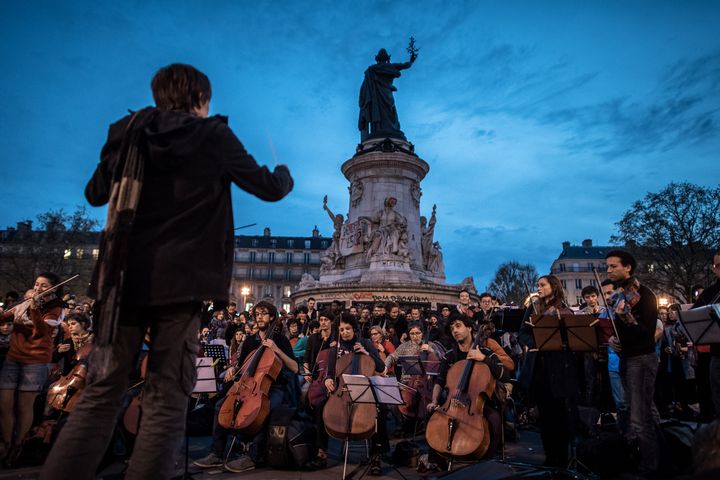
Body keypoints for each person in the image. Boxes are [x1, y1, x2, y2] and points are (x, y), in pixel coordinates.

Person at [40, 64, 293, 480]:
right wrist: (283, 176)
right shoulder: (212, 134)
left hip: (122, 281)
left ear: (159, 95)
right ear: (200, 99)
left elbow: (95, 192)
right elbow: (266, 187)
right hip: (182, 282)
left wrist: (119, 149)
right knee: (166, 399)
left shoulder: (128, 130)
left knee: (101, 394)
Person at [195, 301, 298, 472]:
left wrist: (277, 350)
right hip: (249, 386)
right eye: (257, 314)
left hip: (274, 387)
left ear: (272, 317)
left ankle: (252, 456)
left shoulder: (280, 339)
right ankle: (217, 453)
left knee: (264, 410)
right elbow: (241, 368)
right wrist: (232, 370)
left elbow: (295, 367)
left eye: (263, 313)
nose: (259, 317)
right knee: (221, 406)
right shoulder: (250, 341)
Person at [425, 315, 514, 471]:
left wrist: (484, 358)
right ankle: (437, 462)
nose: (455, 330)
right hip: (453, 402)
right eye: (452, 328)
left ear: (470, 328)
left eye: (458, 326)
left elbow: (505, 375)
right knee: (432, 415)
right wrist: (434, 401)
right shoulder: (450, 355)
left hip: (479, 404)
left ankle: (487, 462)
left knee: (493, 420)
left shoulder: (486, 351)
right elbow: (439, 382)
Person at [605, 249, 659, 476]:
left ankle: (652, 468)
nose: (608, 271)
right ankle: (648, 461)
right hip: (627, 359)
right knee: (635, 414)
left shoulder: (644, 295)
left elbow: (646, 333)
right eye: (607, 266)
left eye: (613, 266)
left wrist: (625, 316)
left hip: (642, 359)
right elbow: (620, 332)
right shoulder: (620, 296)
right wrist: (612, 338)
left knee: (641, 419)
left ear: (627, 267)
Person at [1, 274, 63, 465]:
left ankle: (18, 446)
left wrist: (35, 308)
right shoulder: (23, 304)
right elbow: (4, 318)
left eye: (44, 286)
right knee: (4, 403)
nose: (38, 288)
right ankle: (6, 442)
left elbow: (41, 331)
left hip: (35, 361)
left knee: (23, 406)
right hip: (13, 357)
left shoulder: (54, 308)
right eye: (36, 284)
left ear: (53, 289)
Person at [518, 275, 578, 467]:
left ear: (553, 286)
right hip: (540, 368)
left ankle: (563, 456)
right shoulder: (533, 308)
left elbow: (572, 337)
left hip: (560, 368)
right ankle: (550, 456)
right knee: (545, 415)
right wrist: (535, 343)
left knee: (561, 414)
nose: (539, 288)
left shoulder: (563, 308)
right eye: (537, 285)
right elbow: (522, 333)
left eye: (542, 285)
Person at [324, 314, 387, 475]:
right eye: (341, 330)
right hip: (342, 392)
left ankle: (376, 456)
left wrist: (366, 352)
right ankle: (321, 452)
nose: (344, 332)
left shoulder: (365, 343)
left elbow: (380, 368)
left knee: (380, 413)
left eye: (347, 329)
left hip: (364, 389)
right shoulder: (334, 348)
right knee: (319, 408)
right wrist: (328, 380)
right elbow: (330, 373)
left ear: (354, 329)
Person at [358, 47, 416, 141]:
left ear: (377, 59)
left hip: (375, 97)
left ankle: (377, 129)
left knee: (377, 112)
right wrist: (412, 60)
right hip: (387, 94)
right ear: (387, 58)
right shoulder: (391, 67)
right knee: (390, 112)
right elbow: (406, 65)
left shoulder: (372, 69)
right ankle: (390, 129)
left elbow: (364, 88)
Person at [692, 247, 720, 418]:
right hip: (717, 355)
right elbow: (694, 314)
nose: (718, 269)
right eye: (717, 266)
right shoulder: (711, 292)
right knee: (717, 398)